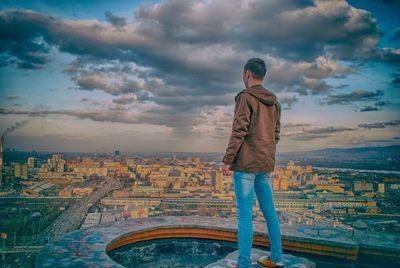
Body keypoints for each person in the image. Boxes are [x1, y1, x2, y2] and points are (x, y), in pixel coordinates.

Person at [221, 58, 283, 268]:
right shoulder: (274, 102)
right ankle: (275, 258)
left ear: (247, 74)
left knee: (244, 216)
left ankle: (244, 264)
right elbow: (275, 134)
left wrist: (227, 160)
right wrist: (264, 153)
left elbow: (239, 131)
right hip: (265, 165)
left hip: (246, 165)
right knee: (270, 212)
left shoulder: (245, 98)